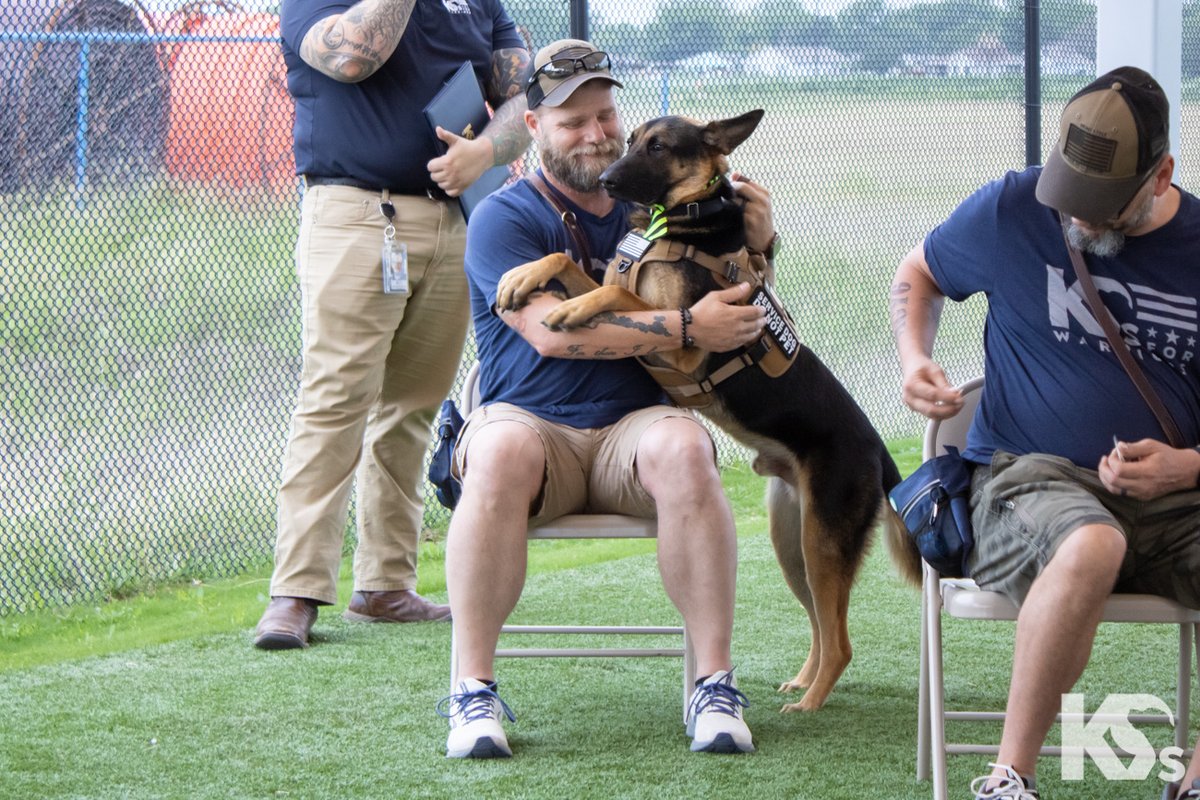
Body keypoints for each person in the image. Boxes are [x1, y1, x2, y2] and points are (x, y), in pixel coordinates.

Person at [435, 38, 778, 759]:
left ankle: (713, 684)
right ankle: (473, 691)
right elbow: (553, 338)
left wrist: (760, 239)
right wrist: (685, 325)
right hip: (531, 430)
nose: (596, 134)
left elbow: (746, 311)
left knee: (685, 445)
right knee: (495, 449)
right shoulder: (505, 217)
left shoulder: (657, 206)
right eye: (572, 121)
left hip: (634, 430)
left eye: (605, 115)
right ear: (533, 130)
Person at [889, 66, 1200, 799]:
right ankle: (1009, 779)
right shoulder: (1012, 206)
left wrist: (1187, 467)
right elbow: (920, 272)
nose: (1080, 219)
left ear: (1162, 175)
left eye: (1101, 206)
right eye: (1072, 198)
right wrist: (914, 357)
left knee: (1108, 536)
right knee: (1093, 541)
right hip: (1029, 480)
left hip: (1178, 502)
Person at [253, 0, 532, 650]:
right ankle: (295, 591)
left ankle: (384, 585)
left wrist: (489, 148)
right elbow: (352, 57)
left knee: (413, 406)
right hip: (355, 213)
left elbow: (524, 92)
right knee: (335, 400)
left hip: (455, 220)